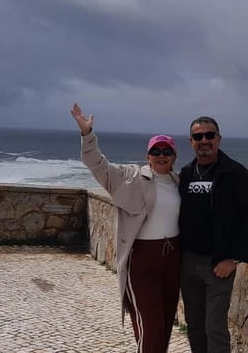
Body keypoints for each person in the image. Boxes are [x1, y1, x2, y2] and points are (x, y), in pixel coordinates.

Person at [71, 103, 181, 353]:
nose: (161, 154)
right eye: (156, 150)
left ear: (174, 156)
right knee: (149, 326)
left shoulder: (180, 182)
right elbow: (97, 165)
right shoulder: (131, 177)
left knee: (163, 326)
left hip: (173, 261)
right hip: (142, 261)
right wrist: (88, 135)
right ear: (148, 156)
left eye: (167, 150)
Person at [178, 116, 248, 352]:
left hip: (218, 264)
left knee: (214, 326)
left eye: (209, 135)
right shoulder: (186, 174)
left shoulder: (236, 174)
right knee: (194, 324)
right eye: (198, 136)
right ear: (191, 141)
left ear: (219, 139)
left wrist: (233, 258)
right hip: (188, 262)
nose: (204, 140)